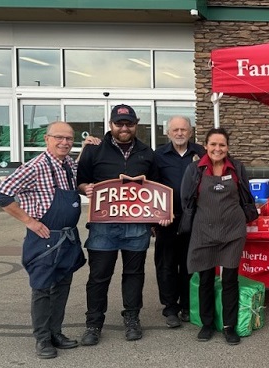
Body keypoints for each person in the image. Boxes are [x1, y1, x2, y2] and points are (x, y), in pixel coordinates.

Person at [0, 122, 99, 359]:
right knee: (41, 289)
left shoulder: (69, 165)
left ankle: (56, 332)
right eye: (59, 138)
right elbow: (0, 194)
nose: (64, 142)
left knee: (62, 286)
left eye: (69, 139)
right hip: (44, 238)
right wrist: (29, 221)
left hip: (68, 237)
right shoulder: (35, 166)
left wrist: (87, 188)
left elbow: (75, 187)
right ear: (47, 138)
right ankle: (42, 339)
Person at [76, 104, 168, 346]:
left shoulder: (147, 153)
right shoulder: (94, 150)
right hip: (103, 226)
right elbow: (80, 182)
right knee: (99, 277)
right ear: (111, 125)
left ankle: (132, 318)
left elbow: (157, 188)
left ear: (136, 124)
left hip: (136, 226)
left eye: (129, 123)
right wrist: (86, 188)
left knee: (134, 275)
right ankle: (94, 324)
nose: (124, 128)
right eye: (119, 123)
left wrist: (159, 215)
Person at [180, 128, 254, 345]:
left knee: (230, 279)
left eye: (222, 145)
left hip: (233, 231)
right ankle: (207, 323)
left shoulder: (237, 168)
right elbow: (186, 199)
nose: (217, 149)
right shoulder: (195, 169)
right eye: (213, 144)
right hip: (204, 230)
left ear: (227, 147)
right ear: (206, 145)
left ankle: (229, 326)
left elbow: (246, 196)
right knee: (205, 279)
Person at [153, 116, 205, 328]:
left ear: (190, 132)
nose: (180, 133)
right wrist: (157, 216)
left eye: (184, 129)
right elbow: (151, 187)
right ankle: (170, 308)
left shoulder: (201, 153)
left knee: (189, 264)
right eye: (175, 130)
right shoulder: (157, 156)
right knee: (166, 265)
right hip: (167, 220)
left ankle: (186, 305)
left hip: (195, 219)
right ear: (168, 133)